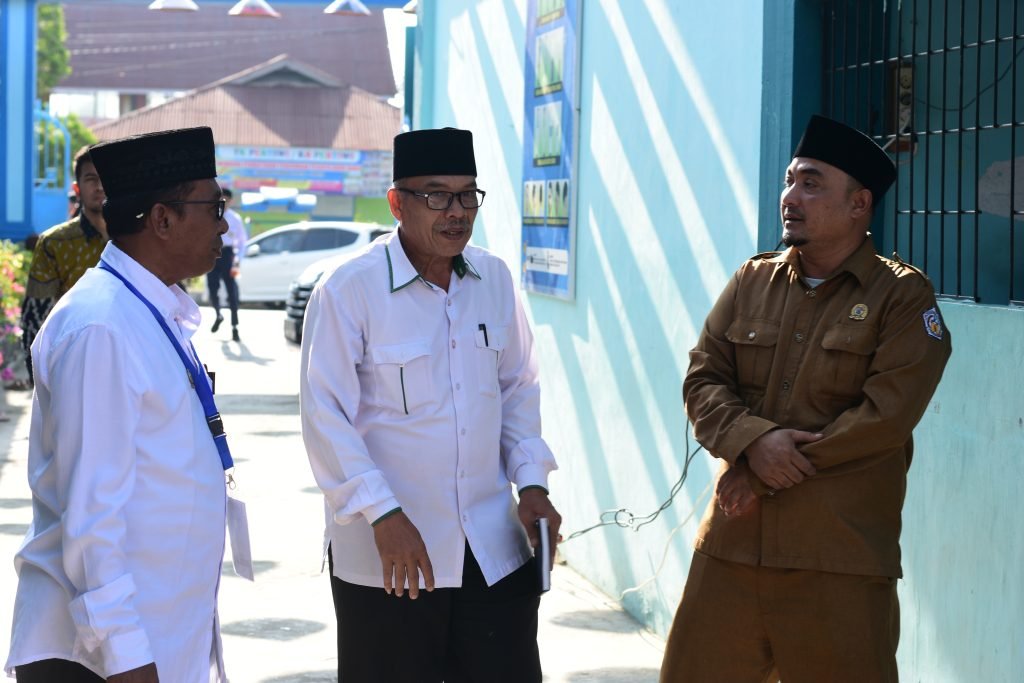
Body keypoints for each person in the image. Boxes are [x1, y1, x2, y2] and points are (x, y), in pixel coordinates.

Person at [659, 115, 953, 682]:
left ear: (859, 204)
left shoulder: (902, 297)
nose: (790, 197)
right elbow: (703, 378)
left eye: (811, 183)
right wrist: (753, 442)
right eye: (790, 180)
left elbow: (883, 419)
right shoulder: (752, 281)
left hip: (836, 560)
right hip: (732, 550)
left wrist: (762, 468)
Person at [300, 127, 562, 683]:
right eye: (437, 195)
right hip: (391, 558)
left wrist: (532, 484)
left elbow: (518, 387)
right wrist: (383, 513)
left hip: (492, 551)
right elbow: (326, 418)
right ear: (397, 202)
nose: (457, 212)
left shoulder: (493, 278)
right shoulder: (349, 290)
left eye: (469, 194)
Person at [6, 127, 242, 682]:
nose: (224, 224)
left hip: (153, 638)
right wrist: (126, 656)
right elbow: (93, 516)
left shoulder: (149, 311)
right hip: (98, 659)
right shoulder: (102, 328)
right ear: (162, 220)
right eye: (215, 207)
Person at [20, 145, 109, 384]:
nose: (100, 186)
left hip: (132, 371)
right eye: (91, 179)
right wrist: (41, 385)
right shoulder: (55, 243)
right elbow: (34, 321)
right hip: (71, 373)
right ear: (77, 188)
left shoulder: (139, 238)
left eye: (106, 178)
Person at [207, 187, 247, 342]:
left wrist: (237, 261)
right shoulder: (211, 216)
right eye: (221, 200)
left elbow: (242, 241)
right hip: (212, 253)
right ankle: (218, 314)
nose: (224, 203)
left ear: (231, 201)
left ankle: (234, 326)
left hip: (228, 255)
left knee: (232, 292)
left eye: (226, 201)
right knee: (212, 288)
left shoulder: (235, 218)